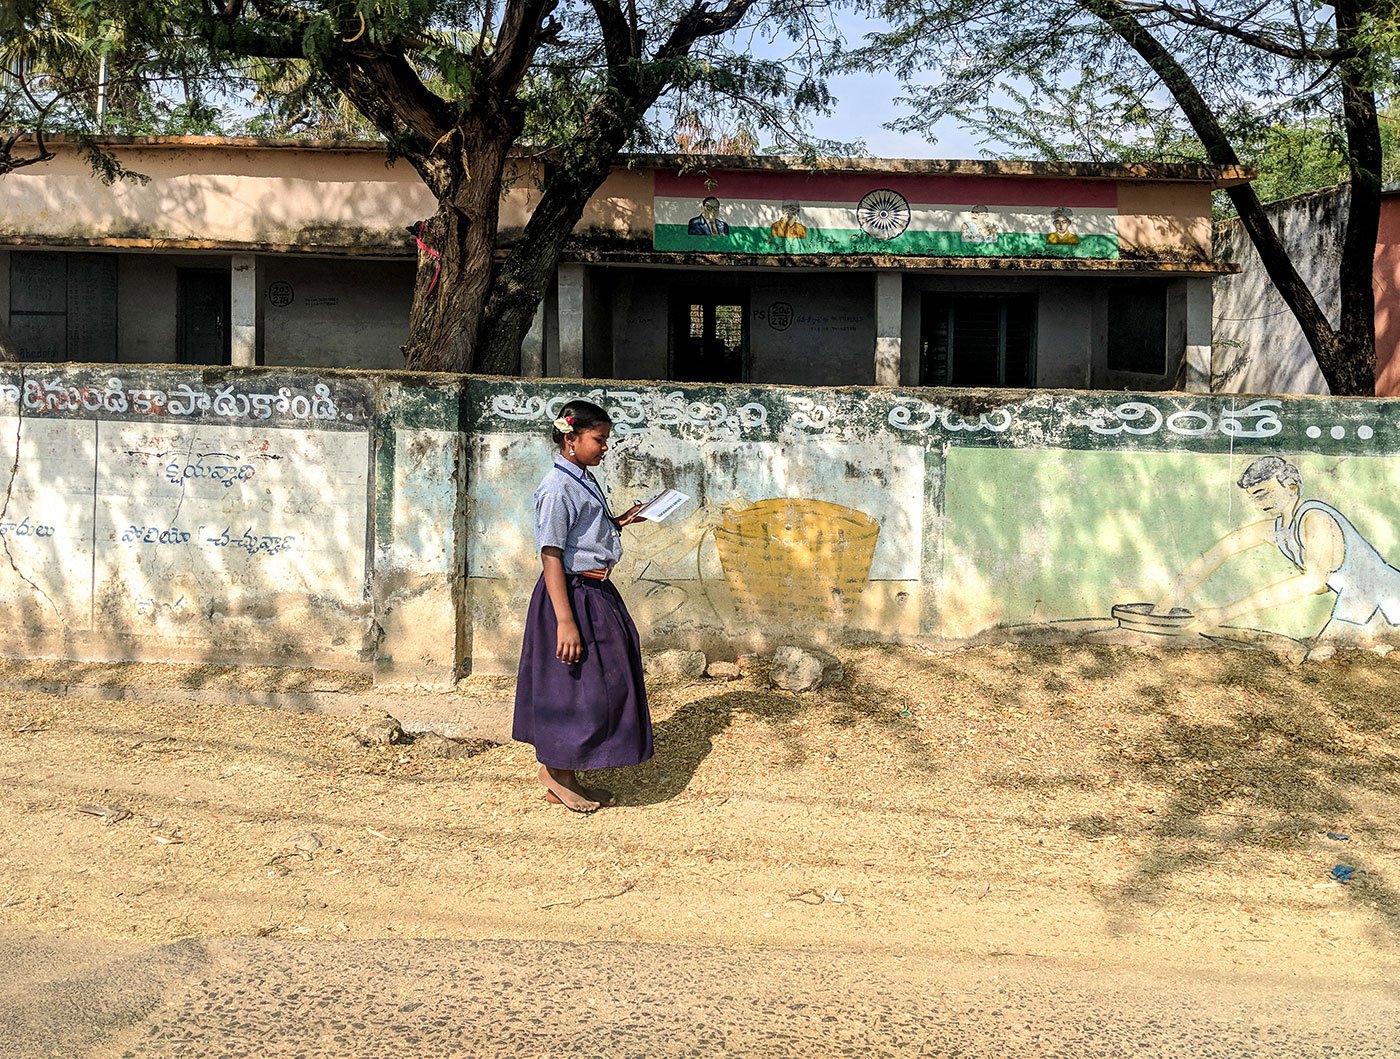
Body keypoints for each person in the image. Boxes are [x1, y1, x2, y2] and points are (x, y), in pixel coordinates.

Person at [513, 399, 654, 813]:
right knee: (573, 688)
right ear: (570, 438)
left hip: (596, 593)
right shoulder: (556, 489)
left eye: (606, 439)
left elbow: (585, 531)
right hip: (570, 595)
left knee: (606, 682)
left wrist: (619, 521)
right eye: (599, 439)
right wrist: (565, 621)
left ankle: (570, 770)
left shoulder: (582, 478)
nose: (605, 447)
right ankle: (556, 775)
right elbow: (552, 554)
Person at [1155, 455, 1400, 652]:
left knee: (1325, 663)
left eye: (1264, 493)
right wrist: (1160, 611)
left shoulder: (1315, 518)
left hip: (1386, 599)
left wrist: (1225, 613)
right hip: (1360, 600)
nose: (1260, 503)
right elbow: (1215, 556)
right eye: (1254, 497)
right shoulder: (1277, 530)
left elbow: (1312, 581)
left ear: (1291, 486)